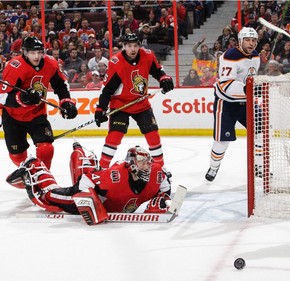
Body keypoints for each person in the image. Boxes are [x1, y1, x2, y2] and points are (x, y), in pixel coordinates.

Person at [6, 142, 172, 225]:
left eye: (148, 160)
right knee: (50, 195)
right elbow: (86, 181)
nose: (148, 165)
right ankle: (34, 165)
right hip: (90, 193)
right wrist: (91, 201)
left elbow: (165, 187)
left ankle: (80, 151)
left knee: (89, 171)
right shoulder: (115, 175)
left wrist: (163, 198)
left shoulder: (157, 173)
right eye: (142, 161)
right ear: (132, 164)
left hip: (109, 196)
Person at [94, 33, 174, 170]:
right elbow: (106, 90)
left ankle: (160, 168)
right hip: (121, 104)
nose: (133, 49)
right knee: (115, 136)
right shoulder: (116, 63)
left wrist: (164, 78)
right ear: (124, 47)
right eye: (129, 46)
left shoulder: (148, 55)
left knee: (153, 135)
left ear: (139, 46)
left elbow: (158, 71)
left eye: (135, 46)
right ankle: (102, 168)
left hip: (141, 103)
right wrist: (100, 108)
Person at [0, 37, 77, 171]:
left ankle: (43, 177)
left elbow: (61, 85)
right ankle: (27, 173)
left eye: (39, 52)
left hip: (37, 114)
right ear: (24, 52)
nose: (37, 56)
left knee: (46, 149)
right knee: (17, 155)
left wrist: (66, 102)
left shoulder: (51, 63)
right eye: (32, 53)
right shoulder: (15, 67)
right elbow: (3, 97)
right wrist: (23, 98)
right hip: (13, 117)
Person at [205, 27, 260, 182]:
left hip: (245, 101)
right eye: (248, 40)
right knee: (222, 140)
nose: (251, 43)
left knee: (261, 130)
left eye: (254, 40)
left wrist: (255, 88)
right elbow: (226, 85)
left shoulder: (256, 56)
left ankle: (260, 166)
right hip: (226, 102)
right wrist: (249, 90)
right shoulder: (230, 56)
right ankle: (214, 166)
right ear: (240, 41)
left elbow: (251, 79)